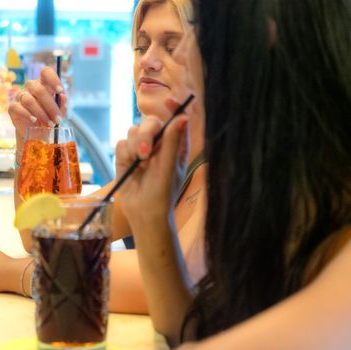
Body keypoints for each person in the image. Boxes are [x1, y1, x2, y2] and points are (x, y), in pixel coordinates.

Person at [115, 0, 351, 347]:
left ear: (256, 40)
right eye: (142, 45)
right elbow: (194, 331)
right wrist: (152, 221)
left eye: (195, 32)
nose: (182, 55)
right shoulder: (277, 190)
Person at [0, 0, 207, 314]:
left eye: (172, 47)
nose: (148, 61)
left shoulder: (226, 168)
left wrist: (10, 273)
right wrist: (33, 140)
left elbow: (174, 281)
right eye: (142, 46)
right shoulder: (165, 167)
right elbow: (41, 230)